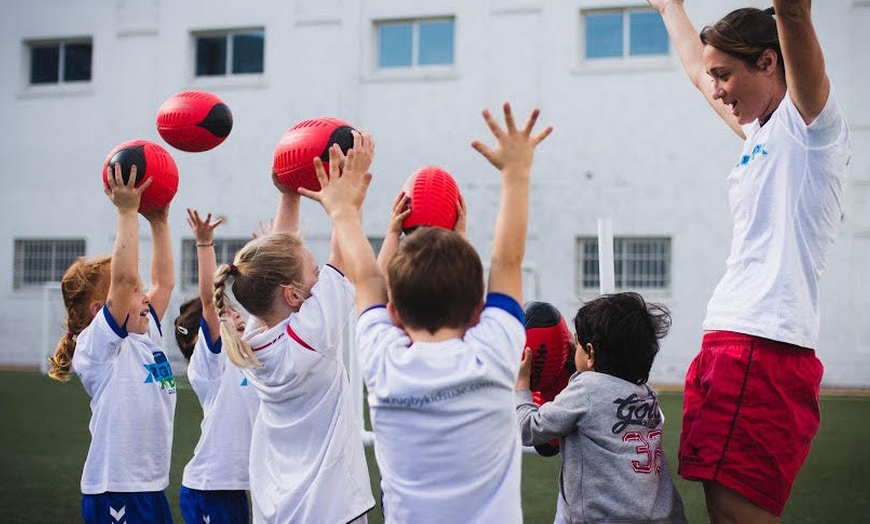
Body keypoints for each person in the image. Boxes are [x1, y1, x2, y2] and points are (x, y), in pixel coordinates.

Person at [644, 1, 852, 521]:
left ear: (767, 61)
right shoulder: (760, 135)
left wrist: (791, 16)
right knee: (723, 511)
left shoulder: (809, 129)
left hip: (761, 346)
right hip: (732, 344)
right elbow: (696, 69)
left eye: (725, 75)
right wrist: (670, 7)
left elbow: (795, 19)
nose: (715, 87)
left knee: (739, 515)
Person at [301, 104, 551, 522]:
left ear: (393, 310)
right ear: (479, 309)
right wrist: (516, 174)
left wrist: (345, 211)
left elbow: (366, 280)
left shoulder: (384, 361)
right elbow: (509, 260)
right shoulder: (494, 354)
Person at [213, 169, 375, 523]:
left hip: (279, 508)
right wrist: (348, 197)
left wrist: (290, 193)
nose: (321, 277)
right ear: (293, 294)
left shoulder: (256, 338)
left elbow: (279, 254)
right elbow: (345, 252)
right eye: (315, 271)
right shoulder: (309, 337)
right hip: (329, 509)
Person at [47, 163, 176, 523]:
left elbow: (163, 283)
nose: (144, 295)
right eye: (135, 292)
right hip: (116, 491)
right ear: (99, 309)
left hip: (149, 488)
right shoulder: (98, 348)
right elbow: (123, 279)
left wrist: (159, 221)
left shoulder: (145, 336)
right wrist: (126, 211)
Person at [516, 293, 687, 523]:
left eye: (576, 344)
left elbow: (528, 428)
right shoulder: (647, 397)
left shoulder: (586, 390)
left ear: (591, 353)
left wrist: (522, 385)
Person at [173, 208, 259, 524]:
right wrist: (205, 243)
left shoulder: (247, 353)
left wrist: (266, 255)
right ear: (200, 339)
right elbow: (211, 301)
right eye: (229, 313)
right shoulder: (211, 363)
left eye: (237, 312)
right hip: (209, 487)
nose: (236, 316)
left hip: (236, 488)